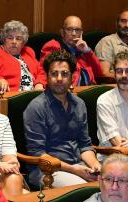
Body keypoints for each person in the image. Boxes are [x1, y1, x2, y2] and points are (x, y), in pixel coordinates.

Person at [23, 50, 102, 188]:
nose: (59, 78)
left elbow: (85, 145)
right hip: (47, 170)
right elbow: (38, 154)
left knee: (114, 177)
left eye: (64, 74)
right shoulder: (36, 107)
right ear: (47, 77)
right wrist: (75, 170)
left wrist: (95, 165)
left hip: (79, 164)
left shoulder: (79, 104)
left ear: (72, 77)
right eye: (54, 74)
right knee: (85, 188)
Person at [0, 20, 46, 95]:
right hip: (11, 95)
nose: (14, 41)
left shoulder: (28, 52)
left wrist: (39, 83)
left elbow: (41, 71)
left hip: (33, 94)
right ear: (4, 39)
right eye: (10, 38)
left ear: (23, 42)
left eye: (18, 38)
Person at [40, 15, 104, 87]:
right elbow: (44, 71)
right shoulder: (54, 46)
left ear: (81, 33)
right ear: (62, 32)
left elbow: (99, 74)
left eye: (77, 30)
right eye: (69, 29)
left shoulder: (82, 49)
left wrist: (87, 52)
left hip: (88, 90)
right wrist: (40, 84)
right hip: (67, 91)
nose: (74, 34)